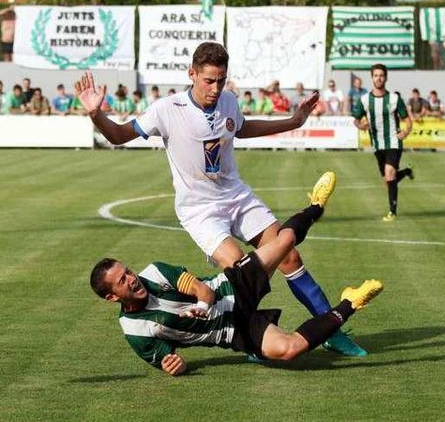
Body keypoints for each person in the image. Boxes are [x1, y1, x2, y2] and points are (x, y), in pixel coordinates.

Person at [75, 42, 367, 356]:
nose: (216, 88)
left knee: (289, 257)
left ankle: (331, 331)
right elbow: (118, 136)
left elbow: (241, 128)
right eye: (209, 80)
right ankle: (255, 342)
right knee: (240, 270)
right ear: (192, 74)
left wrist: (293, 122)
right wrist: (96, 115)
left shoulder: (227, 101)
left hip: (236, 195)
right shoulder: (166, 109)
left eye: (221, 80)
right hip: (200, 211)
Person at [90, 176, 384, 375]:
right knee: (289, 350)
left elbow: (202, 291)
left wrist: (203, 307)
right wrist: (173, 365)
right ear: (112, 297)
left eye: (127, 271)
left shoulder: (154, 272)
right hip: (232, 332)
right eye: (122, 281)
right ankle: (350, 302)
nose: (131, 278)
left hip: (231, 288)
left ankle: (315, 205)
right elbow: (167, 359)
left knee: (284, 244)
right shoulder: (134, 332)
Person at [351, 65, 413, 222]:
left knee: (390, 173)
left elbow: (407, 120)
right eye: (376, 75)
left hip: (393, 142)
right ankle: (405, 172)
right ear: (372, 78)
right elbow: (356, 121)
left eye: (381, 75)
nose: (378, 78)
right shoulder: (365, 100)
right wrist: (361, 126)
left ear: (386, 77)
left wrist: (405, 132)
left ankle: (392, 212)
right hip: (377, 145)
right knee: (388, 179)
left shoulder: (394, 99)